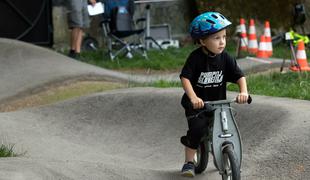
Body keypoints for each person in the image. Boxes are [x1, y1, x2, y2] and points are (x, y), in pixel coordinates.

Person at [179, 12, 249, 177]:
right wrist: (193, 98)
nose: (222, 42)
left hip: (219, 104)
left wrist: (244, 91)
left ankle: (230, 157)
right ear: (202, 41)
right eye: (216, 38)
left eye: (224, 37)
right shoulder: (195, 58)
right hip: (197, 106)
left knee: (228, 127)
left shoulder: (225, 58)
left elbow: (239, 76)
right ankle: (189, 162)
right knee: (197, 130)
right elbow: (185, 78)